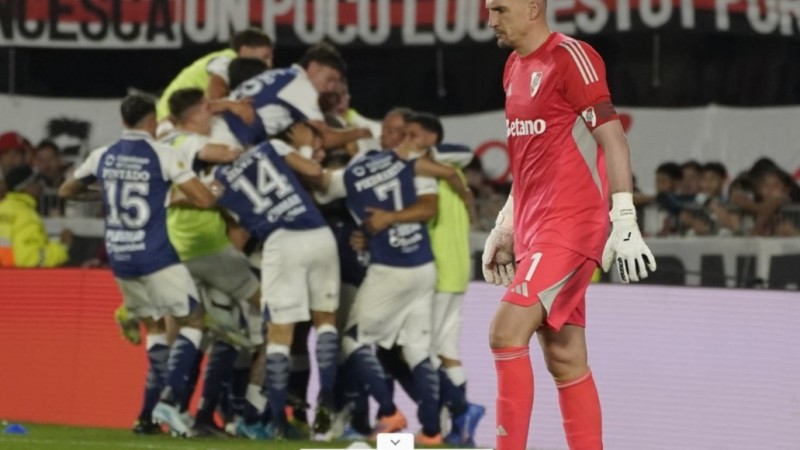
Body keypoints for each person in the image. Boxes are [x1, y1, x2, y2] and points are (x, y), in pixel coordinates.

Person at [481, 1, 657, 450]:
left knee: (505, 331)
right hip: (535, 227)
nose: (491, 20)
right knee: (564, 356)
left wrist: (625, 219)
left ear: (533, 8)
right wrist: (506, 224)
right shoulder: (512, 68)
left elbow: (613, 138)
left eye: (500, 9)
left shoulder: (571, 57)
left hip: (573, 224)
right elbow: (529, 159)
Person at [59, 92, 219, 437]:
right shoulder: (164, 154)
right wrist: (213, 190)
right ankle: (170, 399)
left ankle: (146, 416)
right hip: (155, 256)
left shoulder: (102, 155)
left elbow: (66, 191)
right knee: (193, 318)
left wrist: (103, 194)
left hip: (121, 259)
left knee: (156, 330)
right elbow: (204, 200)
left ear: (123, 121)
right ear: (151, 122)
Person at [207, 129, 341, 440]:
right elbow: (315, 173)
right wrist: (306, 149)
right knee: (326, 323)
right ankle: (327, 397)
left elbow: (237, 240)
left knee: (279, 335)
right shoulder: (272, 146)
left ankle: (279, 420)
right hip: (319, 234)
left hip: (281, 243)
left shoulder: (218, 181)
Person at [223, 43, 371, 150]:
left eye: (335, 82)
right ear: (313, 67)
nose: (331, 88)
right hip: (231, 141)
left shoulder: (281, 74)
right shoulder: (302, 86)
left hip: (221, 128)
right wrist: (361, 132)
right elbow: (326, 139)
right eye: (330, 79)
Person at [156, 28, 274, 124]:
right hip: (173, 122)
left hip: (182, 119)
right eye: (265, 57)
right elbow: (215, 98)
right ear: (244, 50)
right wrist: (234, 106)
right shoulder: (225, 60)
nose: (269, 64)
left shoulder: (235, 65)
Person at [0, 165, 71, 267]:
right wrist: (62, 247)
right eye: (36, 182)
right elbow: (30, 259)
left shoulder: (2, 208)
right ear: (25, 186)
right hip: (13, 280)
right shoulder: (26, 215)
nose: (40, 186)